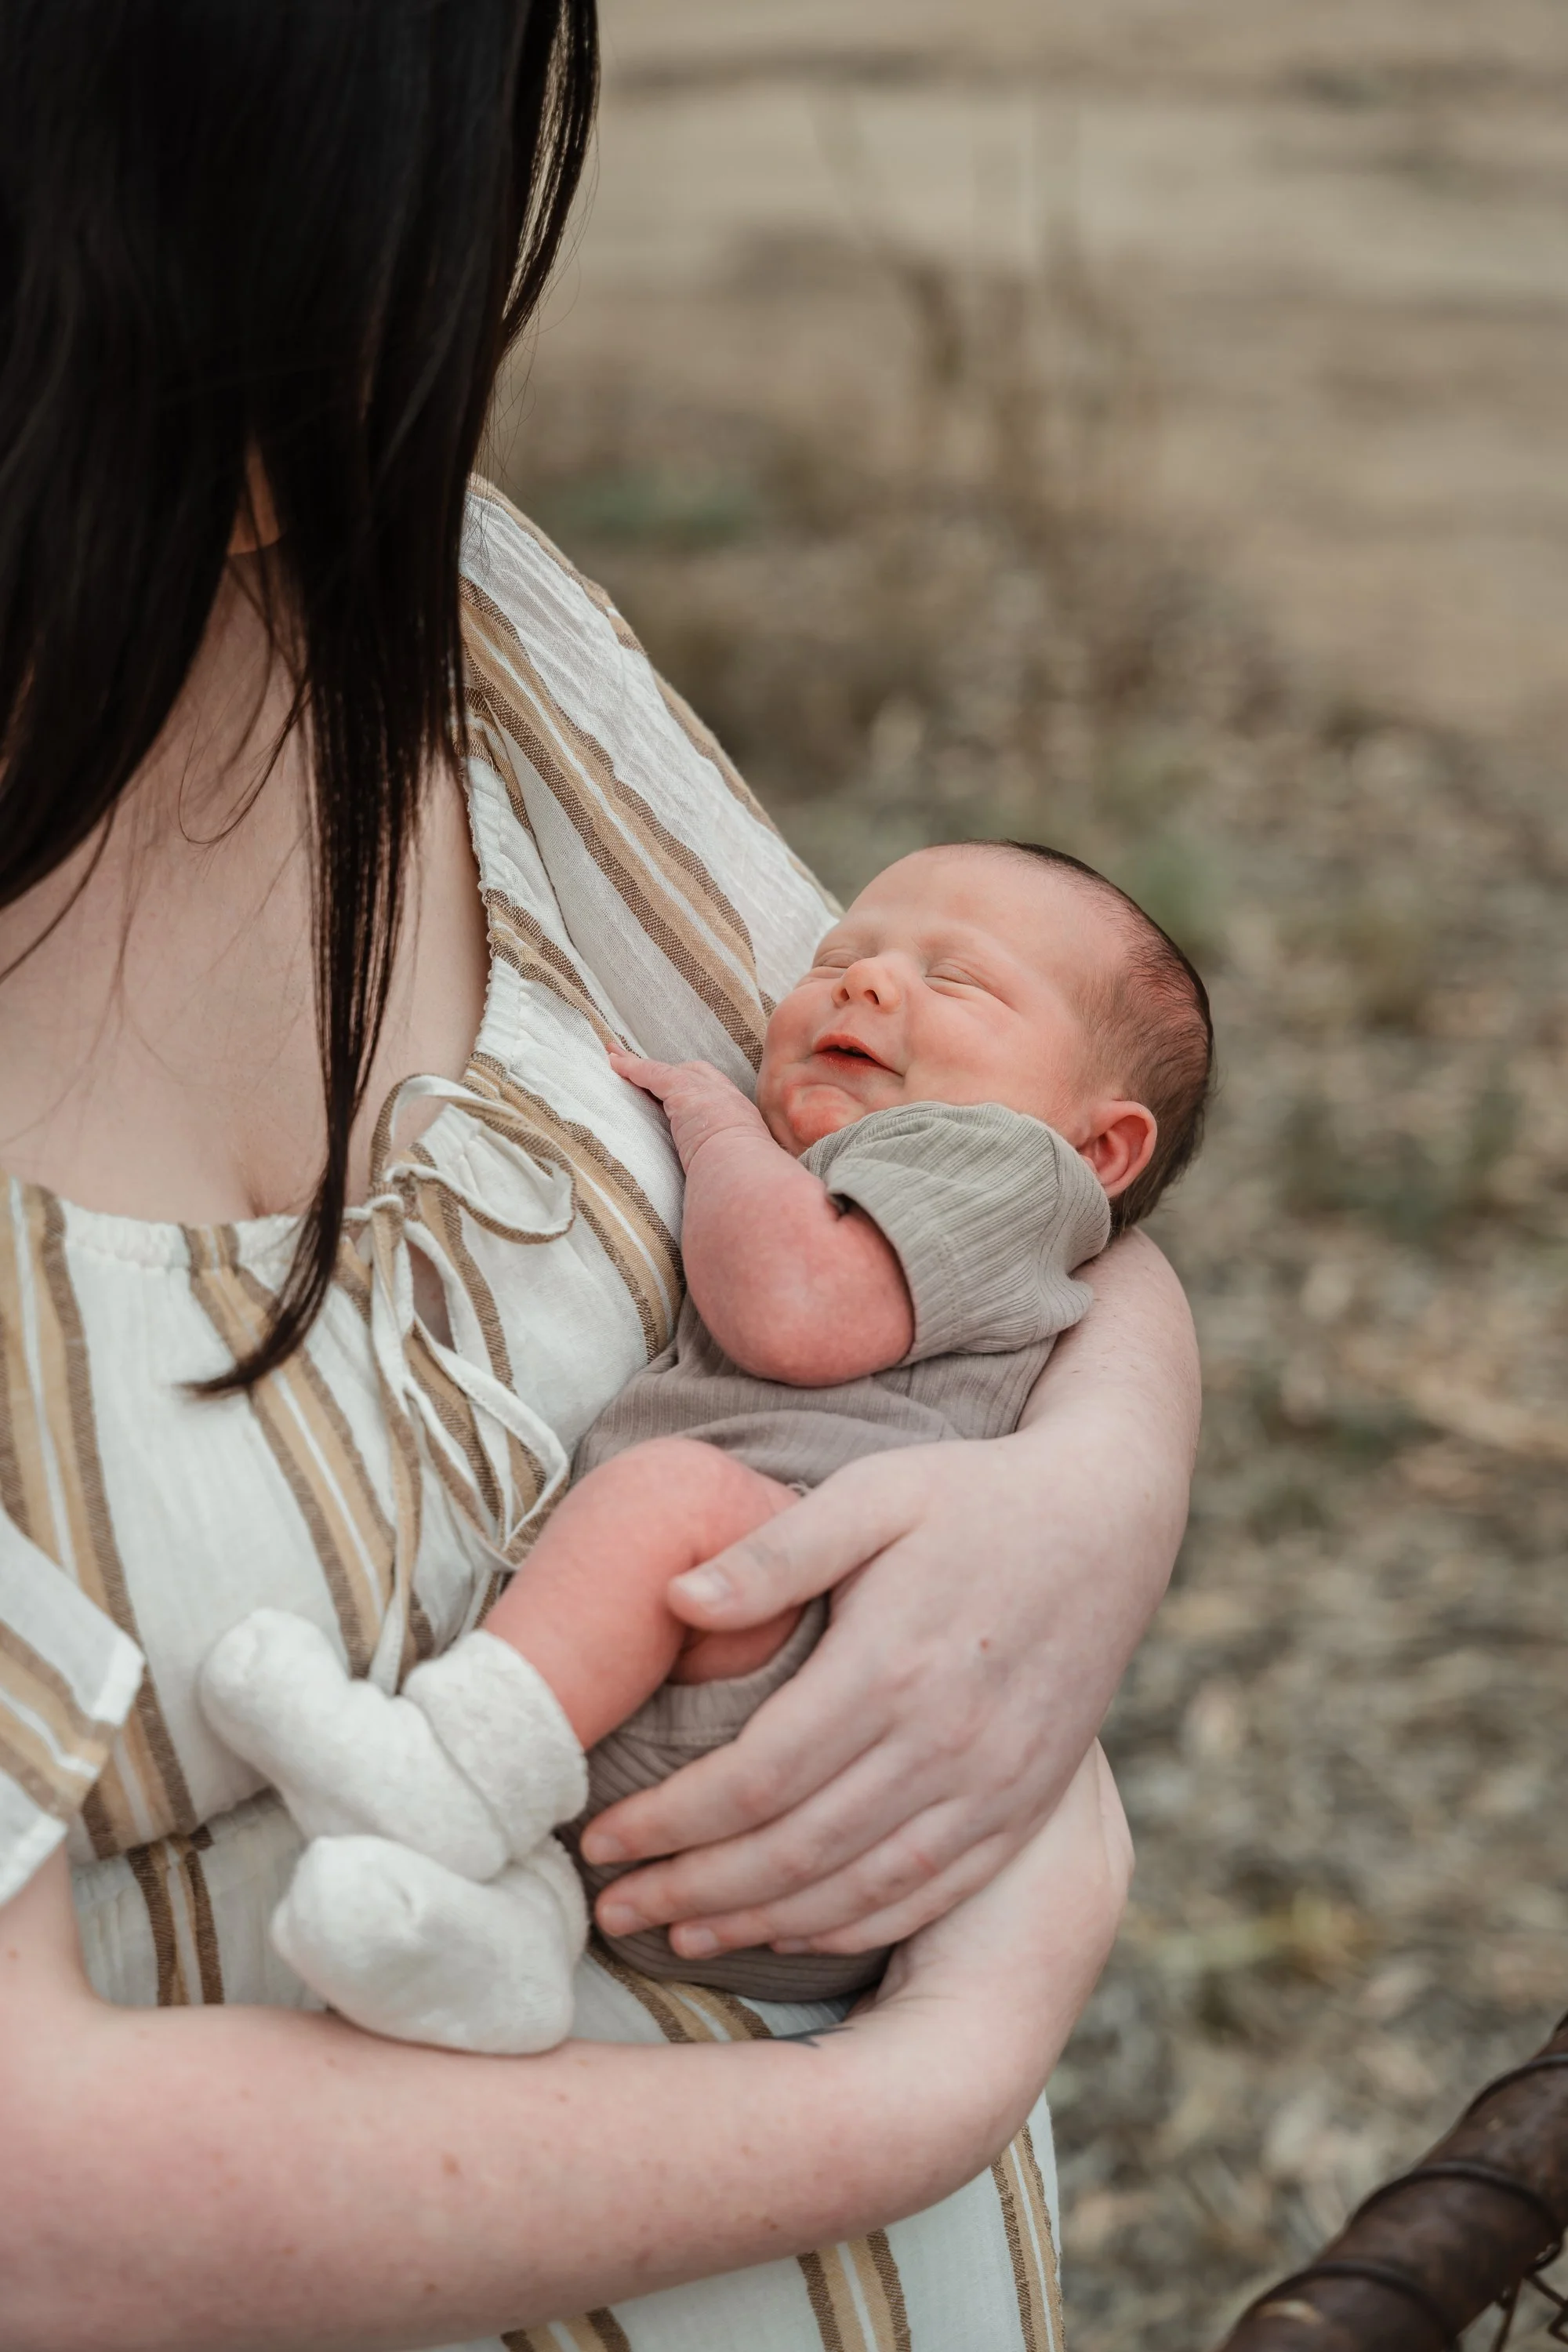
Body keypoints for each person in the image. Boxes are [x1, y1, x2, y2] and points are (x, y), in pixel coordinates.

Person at [0, 7, 1199, 2347]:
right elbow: (34, 2186)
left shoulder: (418, 592)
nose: (384, 344)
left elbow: (984, 1152)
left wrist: (1094, 1501)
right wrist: (940, 2072)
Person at [198, 838, 1212, 2051]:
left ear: (1102, 1149)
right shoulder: (897, 1168)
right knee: (631, 1545)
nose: (868, 984)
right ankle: (506, 1947)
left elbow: (795, 1307)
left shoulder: (1008, 1171)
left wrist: (718, 1126)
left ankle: (442, 1779)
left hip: (807, 1654)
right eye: (842, 957)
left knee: (665, 1498)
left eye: (957, 982)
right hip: (749, 1791)